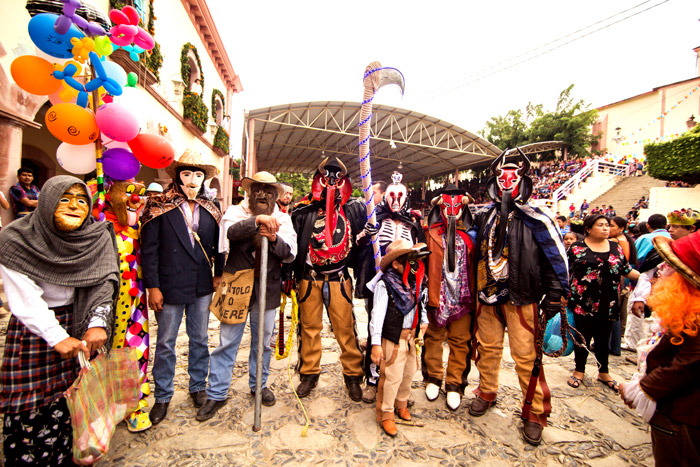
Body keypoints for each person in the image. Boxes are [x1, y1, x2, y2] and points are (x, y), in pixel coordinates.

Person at [0, 176, 119, 465]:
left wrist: (98, 322)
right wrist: (55, 336)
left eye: (81, 200)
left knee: (77, 402)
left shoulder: (97, 234)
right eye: (64, 199)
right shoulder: (16, 239)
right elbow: (24, 298)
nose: (74, 206)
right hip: (35, 330)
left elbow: (105, 281)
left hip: (81, 321)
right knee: (32, 410)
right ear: (48, 202)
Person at [470, 149, 569, 446]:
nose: (506, 181)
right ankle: (486, 391)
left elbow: (553, 257)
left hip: (521, 297)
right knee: (487, 348)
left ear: (523, 180)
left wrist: (554, 293)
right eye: (501, 176)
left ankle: (534, 412)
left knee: (526, 357)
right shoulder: (484, 215)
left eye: (513, 175)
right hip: (487, 296)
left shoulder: (537, 217)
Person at [196, 172, 296, 421]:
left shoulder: (283, 219)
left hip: (268, 290)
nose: (262, 194)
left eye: (268, 191)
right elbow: (229, 234)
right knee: (228, 341)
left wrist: (273, 238)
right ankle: (217, 393)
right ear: (249, 193)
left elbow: (289, 252)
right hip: (236, 286)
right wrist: (256, 221)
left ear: (275, 196)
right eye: (257, 189)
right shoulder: (234, 212)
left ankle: (258, 385)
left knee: (262, 343)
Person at [141, 149, 224, 425]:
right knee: (165, 343)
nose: (192, 180)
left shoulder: (212, 209)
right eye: (187, 174)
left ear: (203, 179)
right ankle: (163, 396)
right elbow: (149, 251)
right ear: (177, 176)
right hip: (169, 284)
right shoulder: (159, 206)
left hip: (201, 284)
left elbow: (219, 247)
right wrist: (153, 286)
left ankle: (197, 387)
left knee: (199, 339)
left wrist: (218, 274)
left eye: (198, 175)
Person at [286, 157, 366, 400]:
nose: (331, 183)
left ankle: (353, 376)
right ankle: (309, 374)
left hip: (339, 279)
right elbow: (292, 247)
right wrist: (288, 278)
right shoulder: (301, 211)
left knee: (346, 329)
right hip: (309, 279)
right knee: (309, 328)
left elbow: (364, 244)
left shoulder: (354, 209)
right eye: (325, 178)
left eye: (337, 179)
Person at [619, 231, 700, 466]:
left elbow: (690, 362)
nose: (662, 269)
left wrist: (642, 389)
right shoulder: (686, 311)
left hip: (682, 418)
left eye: (670, 266)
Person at [355, 171, 425, 404]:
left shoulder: (413, 222)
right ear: (386, 196)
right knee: (376, 327)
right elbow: (359, 243)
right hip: (379, 282)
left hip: (404, 284)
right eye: (392, 195)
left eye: (400, 195)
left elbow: (418, 253)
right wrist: (367, 235)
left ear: (406, 197)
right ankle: (373, 379)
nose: (395, 200)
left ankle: (397, 384)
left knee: (401, 332)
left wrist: (415, 279)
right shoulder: (374, 216)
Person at [89, 178, 152, 432]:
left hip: (135, 304)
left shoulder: (137, 227)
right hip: (100, 304)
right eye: (128, 193)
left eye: (139, 193)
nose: (135, 199)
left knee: (135, 350)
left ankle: (132, 404)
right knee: (97, 352)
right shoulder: (99, 225)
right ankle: (98, 405)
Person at [566, 214, 639, 393]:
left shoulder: (616, 247)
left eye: (607, 225)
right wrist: (561, 295)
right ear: (588, 229)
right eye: (600, 225)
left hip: (609, 301)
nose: (605, 228)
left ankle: (603, 371)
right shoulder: (577, 248)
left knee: (603, 338)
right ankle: (579, 370)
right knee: (582, 337)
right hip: (583, 301)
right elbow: (565, 272)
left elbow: (626, 270)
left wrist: (648, 279)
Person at [368, 240, 430, 436]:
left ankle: (401, 403)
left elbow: (421, 304)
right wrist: (376, 343)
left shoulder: (414, 282)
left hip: (411, 338)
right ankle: (386, 413)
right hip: (393, 338)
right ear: (396, 263)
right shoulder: (385, 284)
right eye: (410, 261)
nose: (415, 266)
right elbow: (376, 316)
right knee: (391, 377)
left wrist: (424, 321)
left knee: (408, 373)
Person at [423, 183, 475, 411]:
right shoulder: (429, 233)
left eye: (456, 205)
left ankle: (455, 384)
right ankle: (433, 378)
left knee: (461, 341)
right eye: (446, 206)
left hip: (463, 297)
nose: (451, 210)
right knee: (434, 338)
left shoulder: (473, 235)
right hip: (438, 295)